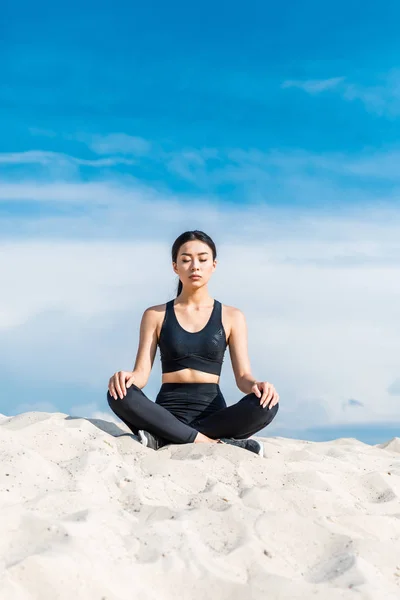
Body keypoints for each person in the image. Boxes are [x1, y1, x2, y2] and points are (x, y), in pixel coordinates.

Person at [107, 230, 279, 456]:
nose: (194, 266)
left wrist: (258, 385)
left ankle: (166, 438)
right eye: (186, 260)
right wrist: (125, 378)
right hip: (166, 412)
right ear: (175, 267)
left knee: (267, 403)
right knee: (118, 393)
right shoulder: (155, 315)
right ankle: (211, 443)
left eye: (202, 259)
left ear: (213, 265)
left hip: (214, 416)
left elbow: (243, 378)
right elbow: (141, 375)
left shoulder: (232, 316)